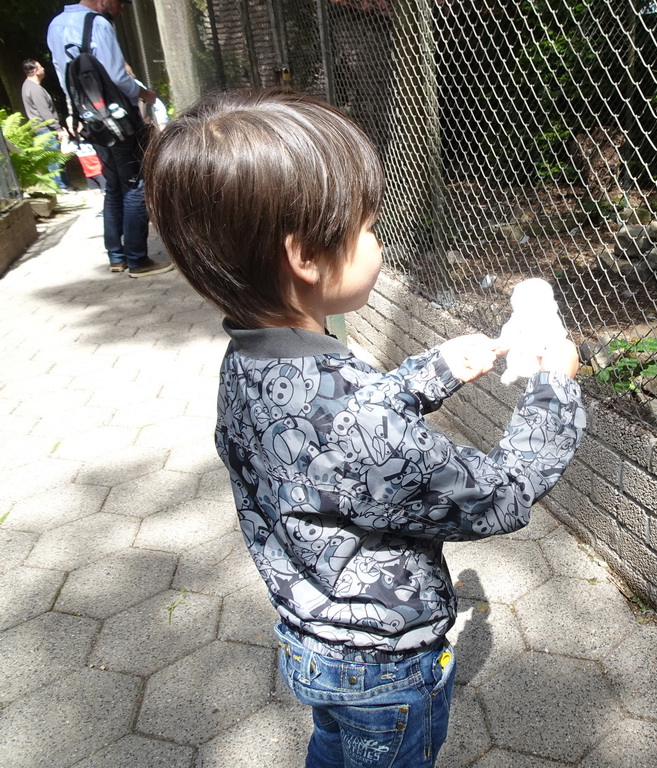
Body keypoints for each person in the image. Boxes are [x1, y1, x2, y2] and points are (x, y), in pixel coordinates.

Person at [144, 87, 586, 768]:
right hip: (384, 667)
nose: (377, 241)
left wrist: (428, 374)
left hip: (310, 637)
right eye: (367, 227)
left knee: (335, 749)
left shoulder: (251, 360)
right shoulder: (356, 416)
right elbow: (498, 494)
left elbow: (333, 442)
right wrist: (555, 391)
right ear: (305, 257)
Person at [46, 0, 173, 277]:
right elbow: (118, 77)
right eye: (117, 3)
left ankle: (117, 256)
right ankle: (138, 260)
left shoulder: (55, 26)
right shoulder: (99, 24)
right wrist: (144, 94)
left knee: (113, 184)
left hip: (90, 119)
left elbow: (62, 76)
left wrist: (81, 112)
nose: (119, 10)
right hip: (118, 119)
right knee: (137, 184)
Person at [20, 59, 71, 192]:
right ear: (36, 71)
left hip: (44, 129)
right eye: (41, 67)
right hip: (46, 129)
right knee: (54, 158)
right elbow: (45, 112)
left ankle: (65, 184)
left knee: (55, 157)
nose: (44, 69)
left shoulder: (28, 85)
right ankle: (61, 186)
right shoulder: (35, 89)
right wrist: (59, 129)